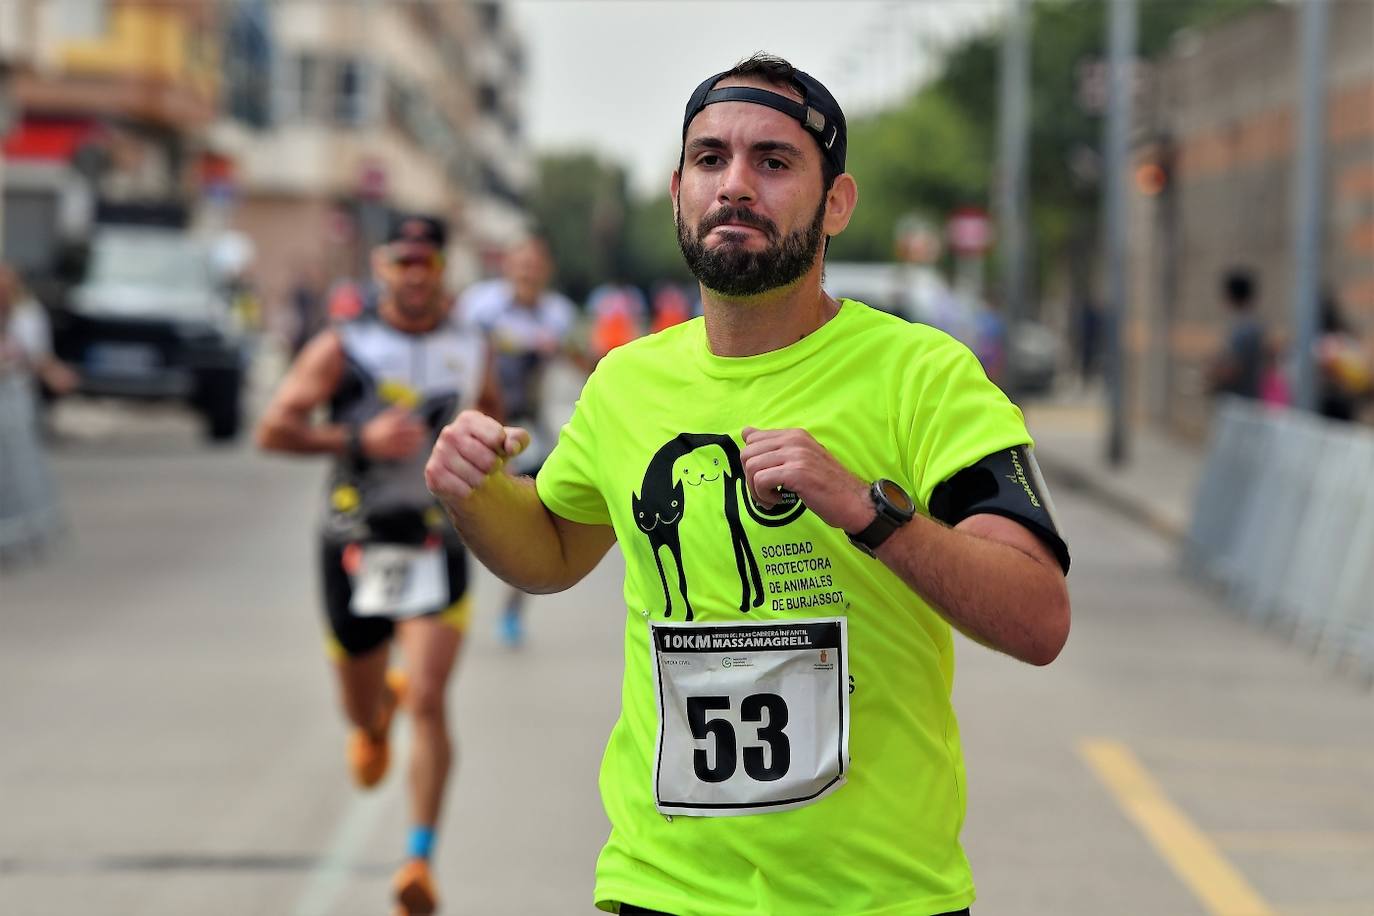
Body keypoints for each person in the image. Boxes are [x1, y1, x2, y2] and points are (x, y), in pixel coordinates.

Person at [426, 53, 1071, 915]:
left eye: (773, 161)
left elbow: (1037, 616)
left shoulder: (926, 376)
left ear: (836, 202)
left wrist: (867, 512)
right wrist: (473, 490)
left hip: (876, 898)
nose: (735, 184)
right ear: (678, 192)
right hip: (663, 887)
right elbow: (548, 550)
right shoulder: (626, 384)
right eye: (710, 159)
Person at [257, 215, 499, 916]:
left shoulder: (470, 347)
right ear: (382, 266)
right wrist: (357, 438)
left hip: (435, 540)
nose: (415, 274)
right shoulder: (344, 346)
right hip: (355, 541)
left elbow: (492, 423)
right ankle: (372, 717)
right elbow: (273, 429)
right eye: (403, 261)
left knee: (428, 699)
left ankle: (418, 861)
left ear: (443, 269)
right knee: (362, 712)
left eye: (427, 261)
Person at [458, 235, 577, 646]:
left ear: (546, 271)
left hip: (528, 427)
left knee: (532, 518)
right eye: (520, 263)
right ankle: (446, 602)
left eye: (534, 264)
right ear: (507, 266)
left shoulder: (558, 314)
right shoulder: (479, 306)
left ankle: (511, 611)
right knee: (466, 516)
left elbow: (580, 358)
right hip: (480, 422)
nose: (527, 271)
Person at [1207, 267, 1265, 399]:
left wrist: (1213, 373)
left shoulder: (1243, 328)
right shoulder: (1255, 325)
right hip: (1248, 398)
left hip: (1239, 400)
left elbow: (1233, 369)